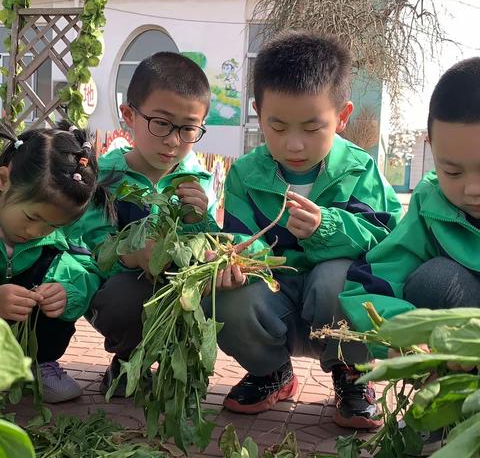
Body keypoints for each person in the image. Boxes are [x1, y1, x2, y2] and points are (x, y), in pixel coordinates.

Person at [202, 30, 403, 429]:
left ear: (342, 117)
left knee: (337, 277)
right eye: (277, 127)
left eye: (312, 128)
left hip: (336, 313)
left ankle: (352, 374)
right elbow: (240, 236)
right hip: (279, 305)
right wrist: (232, 257)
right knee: (225, 295)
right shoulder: (245, 174)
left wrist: (326, 227)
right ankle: (272, 372)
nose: (294, 145)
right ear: (259, 113)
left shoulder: (359, 170)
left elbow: (388, 236)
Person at [66, 52, 218, 394]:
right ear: (129, 115)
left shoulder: (198, 181)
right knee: (124, 299)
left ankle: (176, 364)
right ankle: (127, 358)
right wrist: (130, 254)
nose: (173, 140)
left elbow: (209, 244)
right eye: (161, 123)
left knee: (216, 295)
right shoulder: (106, 178)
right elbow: (90, 242)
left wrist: (199, 221)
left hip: (180, 292)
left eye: (189, 128)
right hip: (122, 289)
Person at [340, 57, 480, 359]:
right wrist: (399, 336)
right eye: (452, 172)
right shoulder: (431, 208)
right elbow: (369, 287)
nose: (472, 190)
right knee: (435, 280)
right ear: (431, 147)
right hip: (461, 349)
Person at [0, 120, 108, 403]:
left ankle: (40, 364)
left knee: (56, 284)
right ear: (2, 181)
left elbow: (87, 268)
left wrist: (67, 290)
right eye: (32, 218)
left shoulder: (59, 236)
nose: (36, 232)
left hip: (26, 340)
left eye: (50, 226)